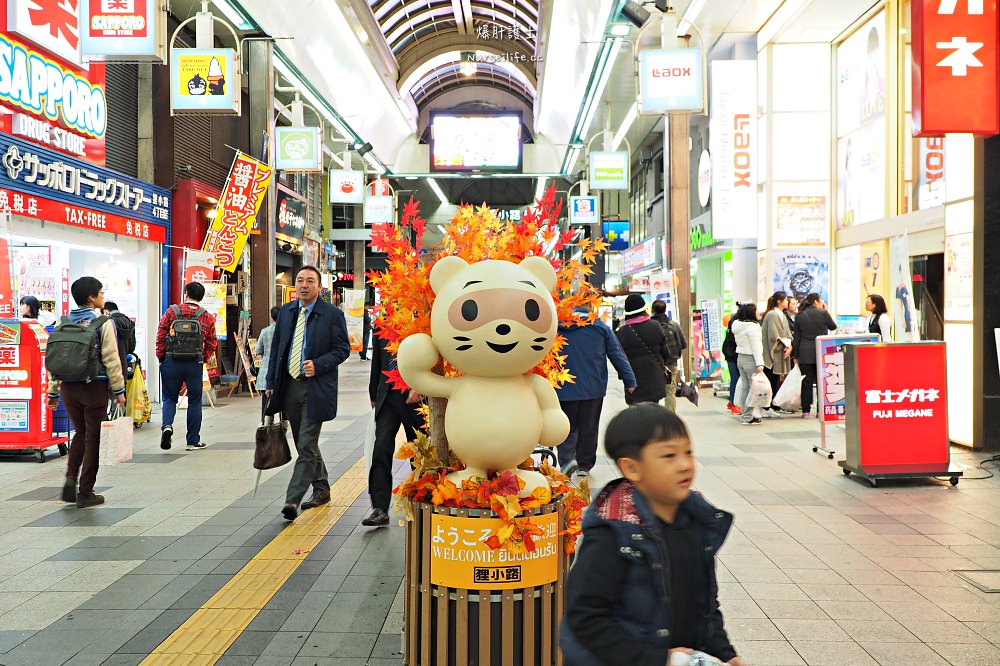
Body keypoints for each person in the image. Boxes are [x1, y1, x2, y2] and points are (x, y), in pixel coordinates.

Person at [561, 404, 743, 666]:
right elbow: (585, 618)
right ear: (632, 469)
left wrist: (725, 653)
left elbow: (704, 605)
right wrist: (657, 660)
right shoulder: (613, 533)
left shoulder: (694, 522)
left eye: (688, 452)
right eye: (669, 456)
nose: (684, 465)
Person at [266, 266, 351, 522]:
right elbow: (277, 349)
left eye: (310, 281)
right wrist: (271, 381)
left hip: (316, 387)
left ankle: (292, 499)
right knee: (306, 442)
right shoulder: (287, 313)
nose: (304, 285)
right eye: (300, 280)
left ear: (319, 287)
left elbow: (342, 349)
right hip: (290, 386)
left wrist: (320, 364)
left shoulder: (332, 314)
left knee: (305, 444)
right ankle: (322, 488)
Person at [46, 277, 126, 508]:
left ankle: (70, 479)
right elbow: (111, 359)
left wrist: (53, 393)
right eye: (101, 293)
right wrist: (119, 390)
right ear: (92, 298)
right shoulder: (103, 322)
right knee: (94, 437)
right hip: (94, 387)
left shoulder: (62, 322)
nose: (102, 296)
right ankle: (86, 492)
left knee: (80, 432)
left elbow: (54, 360)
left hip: (68, 388)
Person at [555, 309, 637, 478]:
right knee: (589, 426)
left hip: (564, 386)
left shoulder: (556, 327)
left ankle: (566, 460)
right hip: (593, 386)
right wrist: (629, 379)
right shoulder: (599, 326)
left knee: (566, 426)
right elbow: (616, 353)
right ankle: (584, 465)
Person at [365, 330, 423, 527]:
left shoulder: (419, 318)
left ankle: (422, 502)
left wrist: (421, 386)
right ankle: (379, 508)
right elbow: (378, 363)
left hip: (415, 398)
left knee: (420, 453)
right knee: (380, 449)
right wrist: (374, 394)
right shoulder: (382, 325)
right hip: (387, 396)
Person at [156, 282, 218, 451]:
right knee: (195, 401)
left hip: (172, 361)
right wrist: (202, 358)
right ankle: (192, 440)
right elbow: (212, 342)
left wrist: (162, 357)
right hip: (194, 363)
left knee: (169, 398)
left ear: (186, 293)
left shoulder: (172, 311)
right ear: (201, 297)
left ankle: (167, 426)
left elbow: (161, 335)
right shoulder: (206, 316)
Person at [615, 294, 671, 406]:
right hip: (655, 377)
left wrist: (624, 377)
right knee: (654, 412)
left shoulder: (622, 332)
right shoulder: (655, 326)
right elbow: (665, 353)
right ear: (644, 309)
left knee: (636, 417)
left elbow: (619, 360)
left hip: (633, 381)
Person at [792, 293, 837, 419]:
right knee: (821, 382)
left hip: (804, 351)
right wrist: (826, 311)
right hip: (820, 350)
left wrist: (796, 355)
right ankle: (819, 410)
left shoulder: (800, 315)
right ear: (817, 301)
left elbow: (797, 338)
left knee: (806, 382)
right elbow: (833, 327)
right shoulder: (823, 313)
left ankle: (806, 411)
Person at [650, 299, 687, 413]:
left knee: (652, 391)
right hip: (671, 364)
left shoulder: (649, 326)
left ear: (652, 311)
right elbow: (683, 344)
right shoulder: (674, 325)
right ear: (665, 310)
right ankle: (670, 417)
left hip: (653, 364)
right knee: (670, 391)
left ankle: (651, 416)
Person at [732, 303, 765, 425]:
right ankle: (748, 416)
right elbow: (755, 347)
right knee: (753, 389)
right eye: (756, 310)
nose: (758, 312)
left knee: (746, 387)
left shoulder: (737, 325)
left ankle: (746, 415)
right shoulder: (752, 327)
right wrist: (760, 364)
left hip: (741, 357)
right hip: (751, 359)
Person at [761, 291, 793, 414]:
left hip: (781, 350)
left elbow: (787, 333)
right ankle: (766, 406)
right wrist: (787, 343)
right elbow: (774, 336)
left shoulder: (781, 315)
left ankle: (772, 404)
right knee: (770, 378)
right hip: (772, 353)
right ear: (779, 301)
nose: (787, 302)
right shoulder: (772, 315)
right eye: (785, 300)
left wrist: (789, 345)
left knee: (775, 379)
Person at [255, 306, 280, 425]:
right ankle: (283, 422)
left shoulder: (265, 331)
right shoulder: (285, 331)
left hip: (266, 369)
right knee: (282, 399)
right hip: (280, 370)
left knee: (266, 399)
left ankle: (264, 422)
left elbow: (258, 350)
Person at [103, 301, 137, 380]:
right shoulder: (130, 322)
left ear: (106, 311)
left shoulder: (107, 322)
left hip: (109, 367)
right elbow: (132, 348)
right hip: (123, 367)